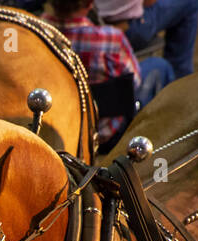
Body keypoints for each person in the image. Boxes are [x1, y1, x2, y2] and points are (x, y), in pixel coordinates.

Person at [44, 0, 173, 144]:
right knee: (160, 66)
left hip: (61, 130)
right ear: (89, 4)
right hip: (108, 134)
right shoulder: (111, 38)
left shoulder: (39, 34)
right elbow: (135, 82)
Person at [100, 0, 198, 80]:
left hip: (96, 26)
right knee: (191, 2)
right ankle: (180, 81)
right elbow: (149, 2)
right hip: (129, 30)